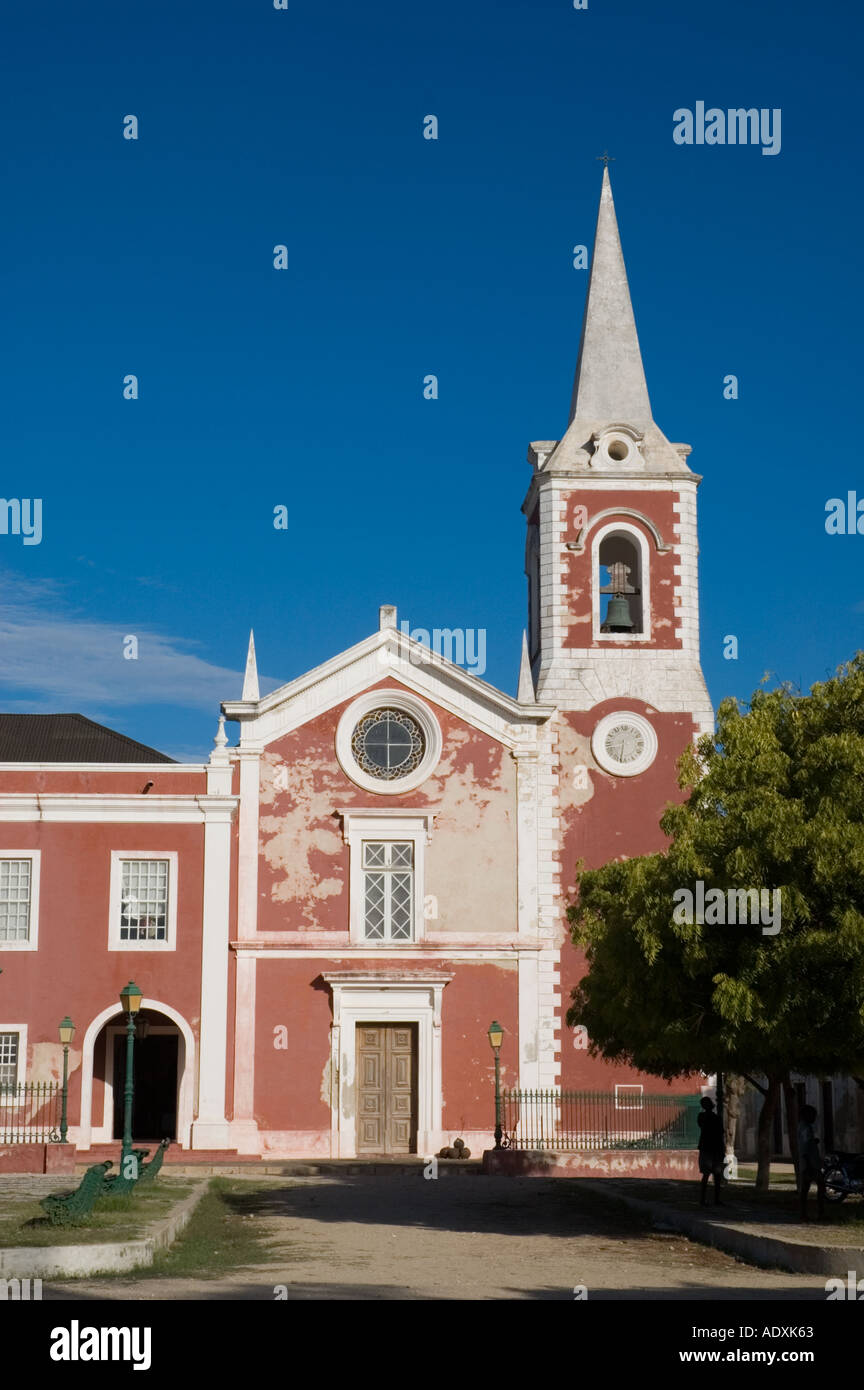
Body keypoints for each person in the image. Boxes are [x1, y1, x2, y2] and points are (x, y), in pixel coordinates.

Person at [797, 1103, 825, 1221]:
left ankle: (804, 1213)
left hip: (808, 1162)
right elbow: (805, 1146)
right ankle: (820, 1214)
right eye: (813, 1115)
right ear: (806, 1115)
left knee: (805, 1189)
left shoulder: (802, 1127)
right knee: (820, 1186)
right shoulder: (806, 1128)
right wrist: (808, 1163)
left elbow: (807, 1142)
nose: (814, 1118)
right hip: (810, 1163)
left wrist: (814, 1141)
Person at [697, 1096, 725, 1206]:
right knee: (715, 1175)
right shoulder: (715, 1118)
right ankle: (714, 1199)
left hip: (708, 1148)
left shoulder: (702, 1117)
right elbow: (720, 1133)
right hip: (713, 1148)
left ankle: (704, 1199)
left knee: (708, 1174)